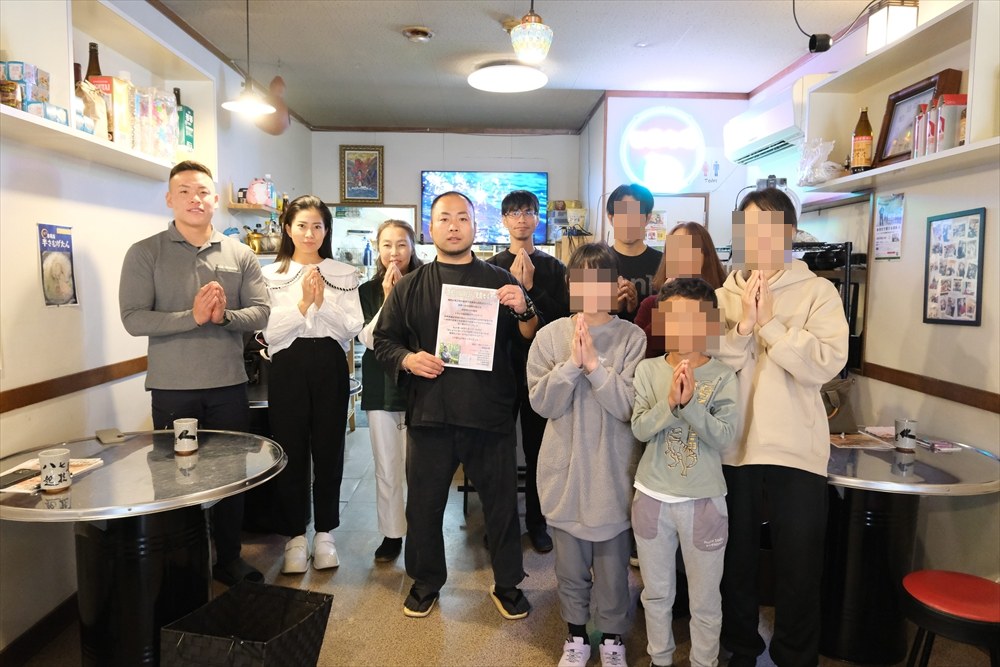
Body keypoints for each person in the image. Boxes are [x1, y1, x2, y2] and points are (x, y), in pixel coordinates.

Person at [374, 191, 539, 620]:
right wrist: (408, 359)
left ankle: (508, 584)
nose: (453, 225)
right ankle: (425, 582)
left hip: (490, 412)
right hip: (431, 413)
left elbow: (528, 335)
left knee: (501, 505)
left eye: (462, 218)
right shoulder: (410, 286)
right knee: (424, 505)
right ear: (430, 228)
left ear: (474, 227)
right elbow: (384, 341)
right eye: (444, 218)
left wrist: (524, 307)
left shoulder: (500, 281)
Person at [119, 160, 270, 586]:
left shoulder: (239, 254)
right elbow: (133, 318)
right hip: (172, 389)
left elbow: (261, 312)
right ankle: (181, 566)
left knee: (231, 475)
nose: (194, 199)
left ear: (215, 199)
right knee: (176, 477)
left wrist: (224, 318)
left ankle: (229, 558)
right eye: (184, 191)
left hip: (229, 386)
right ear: (170, 199)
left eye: (202, 191)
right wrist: (194, 316)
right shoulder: (145, 252)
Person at [716, 188, 849, 667]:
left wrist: (770, 324)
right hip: (734, 447)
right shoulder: (723, 295)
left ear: (789, 233)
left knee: (799, 564)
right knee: (735, 561)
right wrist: (744, 327)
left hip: (796, 449)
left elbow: (826, 363)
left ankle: (795, 656)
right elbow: (712, 364)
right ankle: (741, 649)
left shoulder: (818, 292)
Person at [527, 243, 646, 667]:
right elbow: (542, 403)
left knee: (614, 570)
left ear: (615, 285)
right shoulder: (549, 336)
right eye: (582, 279)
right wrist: (571, 366)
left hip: (612, 476)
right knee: (569, 567)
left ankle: (612, 638)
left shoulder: (632, 337)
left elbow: (629, 406)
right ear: (571, 284)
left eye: (602, 279)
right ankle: (575, 635)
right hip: (565, 475)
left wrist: (595, 367)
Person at [631, 278, 739, 667]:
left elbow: (725, 436)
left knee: (706, 600)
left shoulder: (723, 375)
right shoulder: (648, 370)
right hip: (651, 498)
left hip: (705, 501)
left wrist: (690, 405)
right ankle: (659, 659)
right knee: (656, 594)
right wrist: (670, 404)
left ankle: (704, 662)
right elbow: (640, 429)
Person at [260, 196, 363, 573]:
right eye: (302, 225)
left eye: (317, 226)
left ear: (326, 230)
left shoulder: (342, 273)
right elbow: (268, 333)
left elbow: (351, 328)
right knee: (290, 450)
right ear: (288, 229)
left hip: (330, 363)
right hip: (287, 365)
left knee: (329, 448)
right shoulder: (270, 274)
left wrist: (323, 303)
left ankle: (325, 534)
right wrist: (304, 305)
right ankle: (294, 536)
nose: (309, 233)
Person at [486, 189, 569, 553]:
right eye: (514, 213)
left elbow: (563, 320)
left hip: (542, 372)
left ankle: (538, 523)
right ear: (504, 220)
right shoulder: (490, 267)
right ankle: (502, 525)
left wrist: (531, 289)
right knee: (499, 452)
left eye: (528, 212)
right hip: (502, 371)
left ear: (538, 219)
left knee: (539, 451)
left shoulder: (554, 268)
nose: (521, 218)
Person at [358, 219, 423, 563]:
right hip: (382, 387)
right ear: (377, 248)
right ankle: (392, 533)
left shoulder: (427, 283)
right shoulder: (367, 291)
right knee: (387, 465)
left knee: (421, 468)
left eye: (401, 244)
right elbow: (369, 340)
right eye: (387, 245)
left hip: (423, 386)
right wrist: (387, 298)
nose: (394, 252)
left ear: (412, 247)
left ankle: (422, 532)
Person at [635, 222, 728, 359]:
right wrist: (664, 307)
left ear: (705, 255)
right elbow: (640, 354)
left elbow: (715, 353)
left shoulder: (723, 300)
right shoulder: (650, 305)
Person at [607, 183, 663, 322]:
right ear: (610, 218)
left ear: (647, 218)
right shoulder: (594, 263)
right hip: (604, 336)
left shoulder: (664, 263)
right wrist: (611, 309)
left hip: (652, 336)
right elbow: (579, 317)